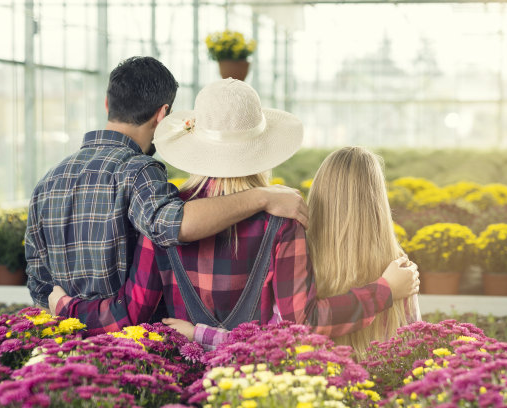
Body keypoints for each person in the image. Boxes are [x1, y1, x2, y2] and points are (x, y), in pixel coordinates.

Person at [48, 78, 419, 344]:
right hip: (249, 388)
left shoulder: (162, 217)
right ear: (262, 147)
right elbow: (301, 325)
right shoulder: (282, 221)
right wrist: (384, 290)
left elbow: (131, 314)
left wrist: (65, 306)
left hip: (178, 384)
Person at [26, 57, 307, 309]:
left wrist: (67, 310)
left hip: (61, 349)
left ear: (107, 104)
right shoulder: (138, 171)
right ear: (162, 114)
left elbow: (39, 285)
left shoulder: (46, 182)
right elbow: (175, 226)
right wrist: (263, 197)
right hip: (134, 348)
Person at [306, 146, 421, 356]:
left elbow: (292, 327)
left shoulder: (300, 259)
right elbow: (414, 344)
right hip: (385, 383)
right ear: (377, 201)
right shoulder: (398, 268)